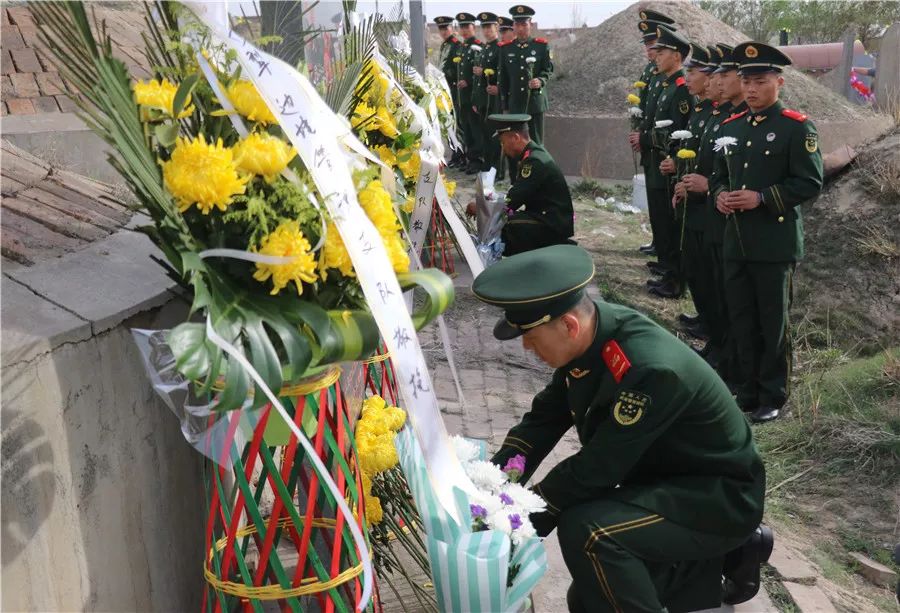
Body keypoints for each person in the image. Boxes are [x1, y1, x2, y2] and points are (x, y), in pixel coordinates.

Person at [472, 244, 771, 613]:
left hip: (716, 498)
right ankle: (707, 566)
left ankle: (723, 549)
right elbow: (543, 421)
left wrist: (519, 521)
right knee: (589, 598)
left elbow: (598, 468)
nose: (527, 348)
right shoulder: (592, 337)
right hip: (666, 481)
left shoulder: (649, 369)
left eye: (531, 338)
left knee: (590, 532)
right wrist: (492, 490)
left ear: (569, 325)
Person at [711, 42, 824, 423]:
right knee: (741, 318)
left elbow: (810, 182)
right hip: (736, 242)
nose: (751, 89)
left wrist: (762, 198)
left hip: (773, 244)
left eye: (759, 81)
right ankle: (747, 389)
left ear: (780, 82)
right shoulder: (732, 126)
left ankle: (773, 394)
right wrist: (720, 196)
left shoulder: (795, 126)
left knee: (772, 322)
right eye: (746, 82)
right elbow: (717, 176)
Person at [467, 114, 574, 255]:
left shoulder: (534, 161)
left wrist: (482, 207)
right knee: (503, 221)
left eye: (503, 143)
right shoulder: (532, 155)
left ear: (516, 138)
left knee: (503, 227)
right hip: (546, 218)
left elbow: (512, 201)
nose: (503, 149)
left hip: (552, 223)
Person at [640, 26, 692, 299]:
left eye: (661, 52)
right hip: (658, 162)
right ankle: (668, 269)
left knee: (672, 225)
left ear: (677, 56)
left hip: (672, 166)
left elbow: (682, 130)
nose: (655, 56)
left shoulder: (681, 88)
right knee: (661, 218)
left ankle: (674, 278)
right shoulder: (665, 84)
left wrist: (671, 157)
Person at [671, 42, 715, 344]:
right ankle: (707, 320)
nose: (690, 77)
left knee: (709, 272)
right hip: (693, 198)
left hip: (711, 206)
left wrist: (709, 187)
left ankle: (712, 327)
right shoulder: (704, 112)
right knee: (697, 267)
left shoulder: (723, 115)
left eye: (695, 72)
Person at [633, 10, 677, 256]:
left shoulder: (669, 76)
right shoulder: (650, 71)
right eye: (648, 45)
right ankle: (658, 241)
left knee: (664, 202)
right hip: (650, 144)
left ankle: (665, 248)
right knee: (655, 200)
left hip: (662, 148)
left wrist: (647, 137)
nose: (650, 50)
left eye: (655, 45)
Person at [498, 5, 552, 145]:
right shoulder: (505, 49)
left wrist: (540, 80)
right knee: (518, 143)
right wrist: (504, 105)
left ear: (531, 25)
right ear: (513, 26)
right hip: (515, 103)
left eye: (524, 24)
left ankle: (535, 168)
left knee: (536, 143)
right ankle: (521, 168)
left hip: (534, 103)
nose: (521, 28)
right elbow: (503, 79)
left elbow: (548, 70)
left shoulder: (541, 46)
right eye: (517, 24)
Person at [473, 12, 503, 174]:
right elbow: (478, 81)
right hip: (483, 100)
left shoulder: (500, 48)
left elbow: (503, 73)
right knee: (485, 134)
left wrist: (483, 71)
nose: (486, 31)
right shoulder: (484, 49)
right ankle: (488, 165)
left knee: (494, 136)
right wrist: (477, 101)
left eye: (489, 27)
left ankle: (496, 169)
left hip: (494, 99)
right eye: (484, 27)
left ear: (496, 27)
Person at [454, 12, 484, 174]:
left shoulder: (478, 47)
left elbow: (480, 72)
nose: (464, 30)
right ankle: (469, 158)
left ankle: (477, 160)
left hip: (473, 96)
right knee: (465, 128)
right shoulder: (462, 47)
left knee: (475, 129)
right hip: (462, 97)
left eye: (467, 27)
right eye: (462, 27)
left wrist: (469, 82)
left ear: (474, 27)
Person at [436, 16, 466, 168]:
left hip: (454, 88)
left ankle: (461, 154)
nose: (443, 31)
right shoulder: (444, 46)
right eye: (441, 29)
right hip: (445, 89)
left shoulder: (457, 45)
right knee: (448, 123)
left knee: (457, 123)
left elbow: (459, 68)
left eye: (446, 28)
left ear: (452, 28)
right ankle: (455, 153)